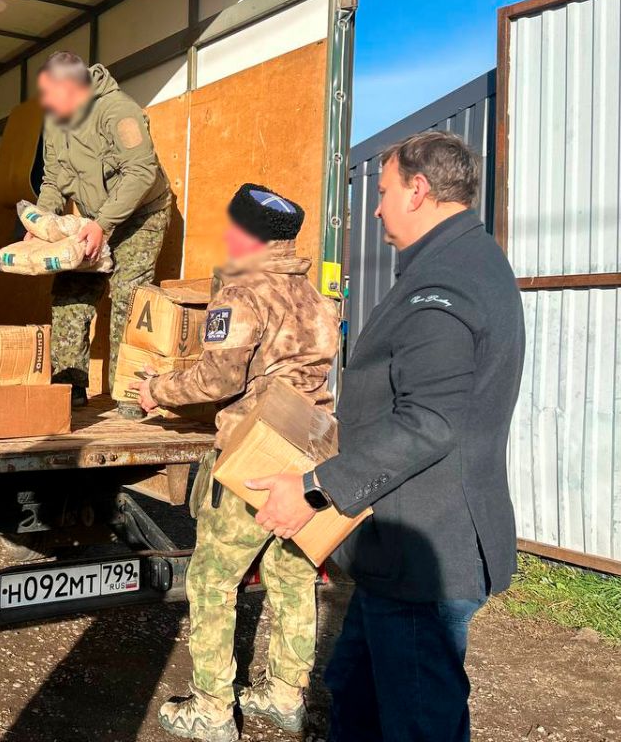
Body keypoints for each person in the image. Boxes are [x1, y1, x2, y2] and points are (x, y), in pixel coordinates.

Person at [246, 130, 524, 742]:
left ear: (418, 190)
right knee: (354, 690)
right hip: (403, 547)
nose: (376, 207)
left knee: (417, 721)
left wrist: (315, 487)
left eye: (384, 191)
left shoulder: (444, 287)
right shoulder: (463, 260)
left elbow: (431, 421)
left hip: (425, 550)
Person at [134, 184, 340, 742]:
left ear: (247, 235)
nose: (226, 236)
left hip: (253, 453)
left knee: (212, 582)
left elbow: (218, 378)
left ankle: (211, 710)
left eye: (232, 227)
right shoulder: (319, 296)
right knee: (292, 574)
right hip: (307, 452)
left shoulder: (242, 291)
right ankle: (284, 695)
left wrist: (158, 389)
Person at [34, 51, 173, 407]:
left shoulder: (118, 112)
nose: (44, 102)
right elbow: (52, 180)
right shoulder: (54, 120)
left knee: (128, 299)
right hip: (96, 218)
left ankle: (127, 395)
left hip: (140, 215)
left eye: (49, 93)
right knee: (70, 289)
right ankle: (70, 387)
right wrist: (42, 224)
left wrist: (103, 225)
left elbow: (141, 172)